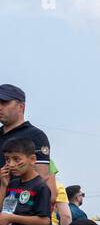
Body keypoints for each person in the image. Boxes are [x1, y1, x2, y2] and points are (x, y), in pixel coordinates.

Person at [0, 83, 57, 213]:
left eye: (4, 102)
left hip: (21, 214)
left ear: (21, 106)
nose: (0, 107)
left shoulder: (35, 135)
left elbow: (41, 178)